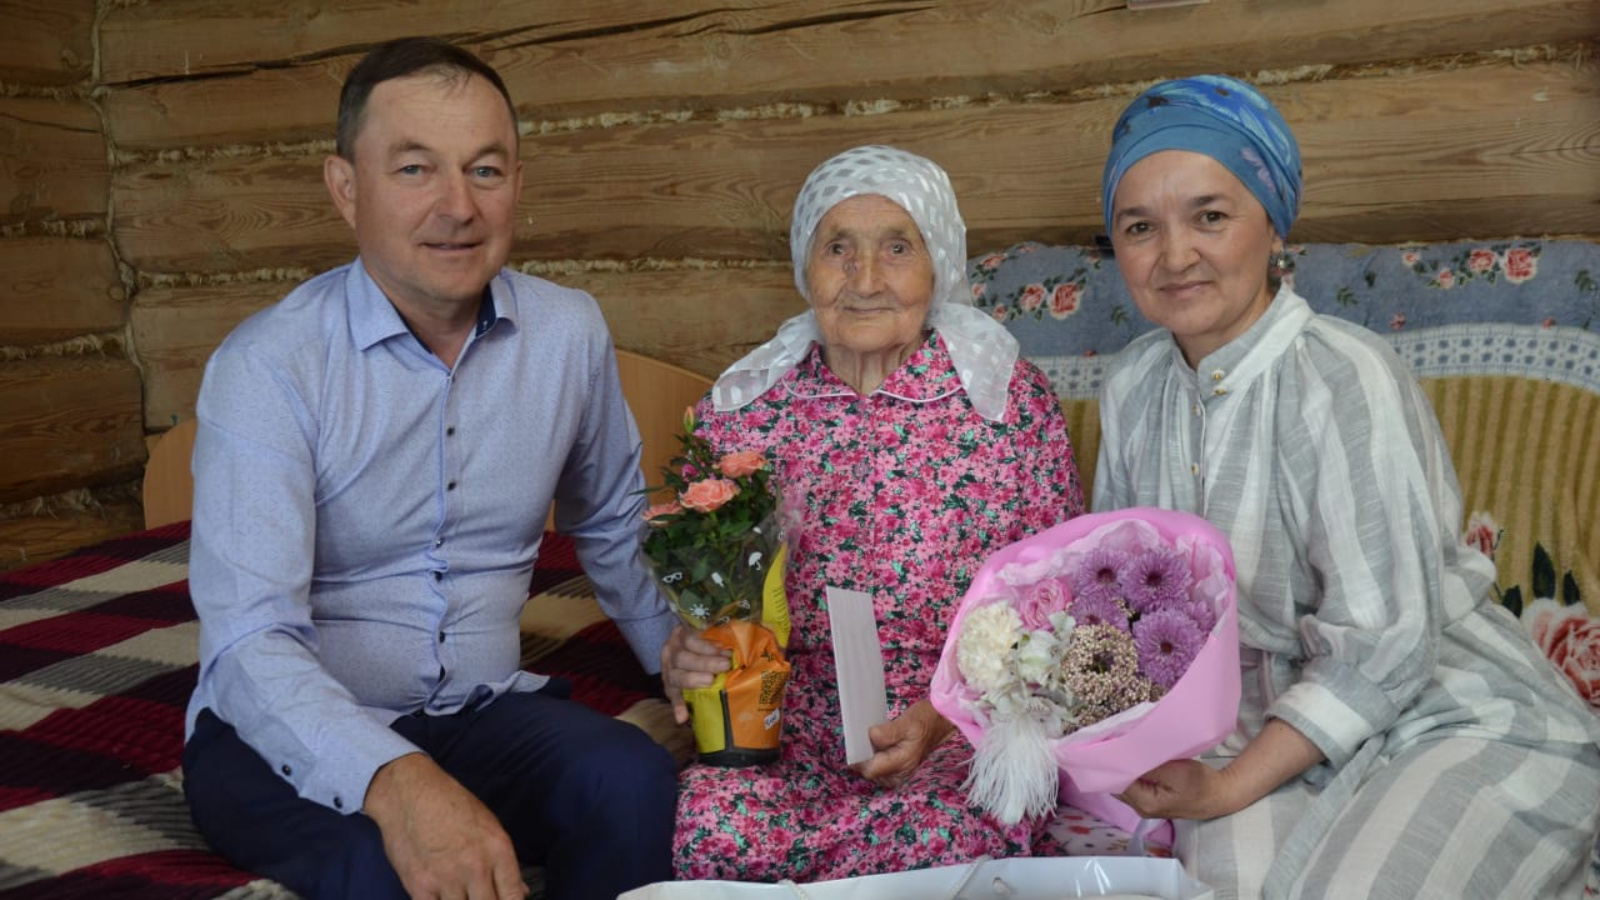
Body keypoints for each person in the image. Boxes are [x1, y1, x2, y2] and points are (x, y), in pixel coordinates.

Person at [180, 37, 678, 900]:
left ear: (517, 182)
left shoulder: (569, 334)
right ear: (346, 188)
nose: (458, 207)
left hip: (481, 712)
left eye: (485, 170)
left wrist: (676, 658)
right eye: (415, 169)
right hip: (281, 732)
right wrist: (397, 782)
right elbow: (250, 641)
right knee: (386, 872)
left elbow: (608, 520)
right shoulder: (267, 366)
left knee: (632, 783)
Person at [1092, 74, 1600, 899]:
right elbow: (1117, 593)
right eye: (1140, 227)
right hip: (1253, 721)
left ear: (1272, 223)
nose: (1175, 255)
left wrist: (1226, 788)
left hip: (1443, 710)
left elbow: (1388, 646)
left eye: (1210, 216)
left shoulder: (1342, 377)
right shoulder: (1132, 385)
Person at [662, 145, 1087, 882]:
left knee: (951, 829)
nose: (864, 280)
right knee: (707, 818)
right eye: (838, 249)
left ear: (939, 265)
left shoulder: (1008, 406)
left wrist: (946, 716)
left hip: (957, 726)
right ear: (806, 266)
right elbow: (706, 608)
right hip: (779, 726)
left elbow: (1062, 605)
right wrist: (686, 657)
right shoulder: (742, 415)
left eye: (897, 248)